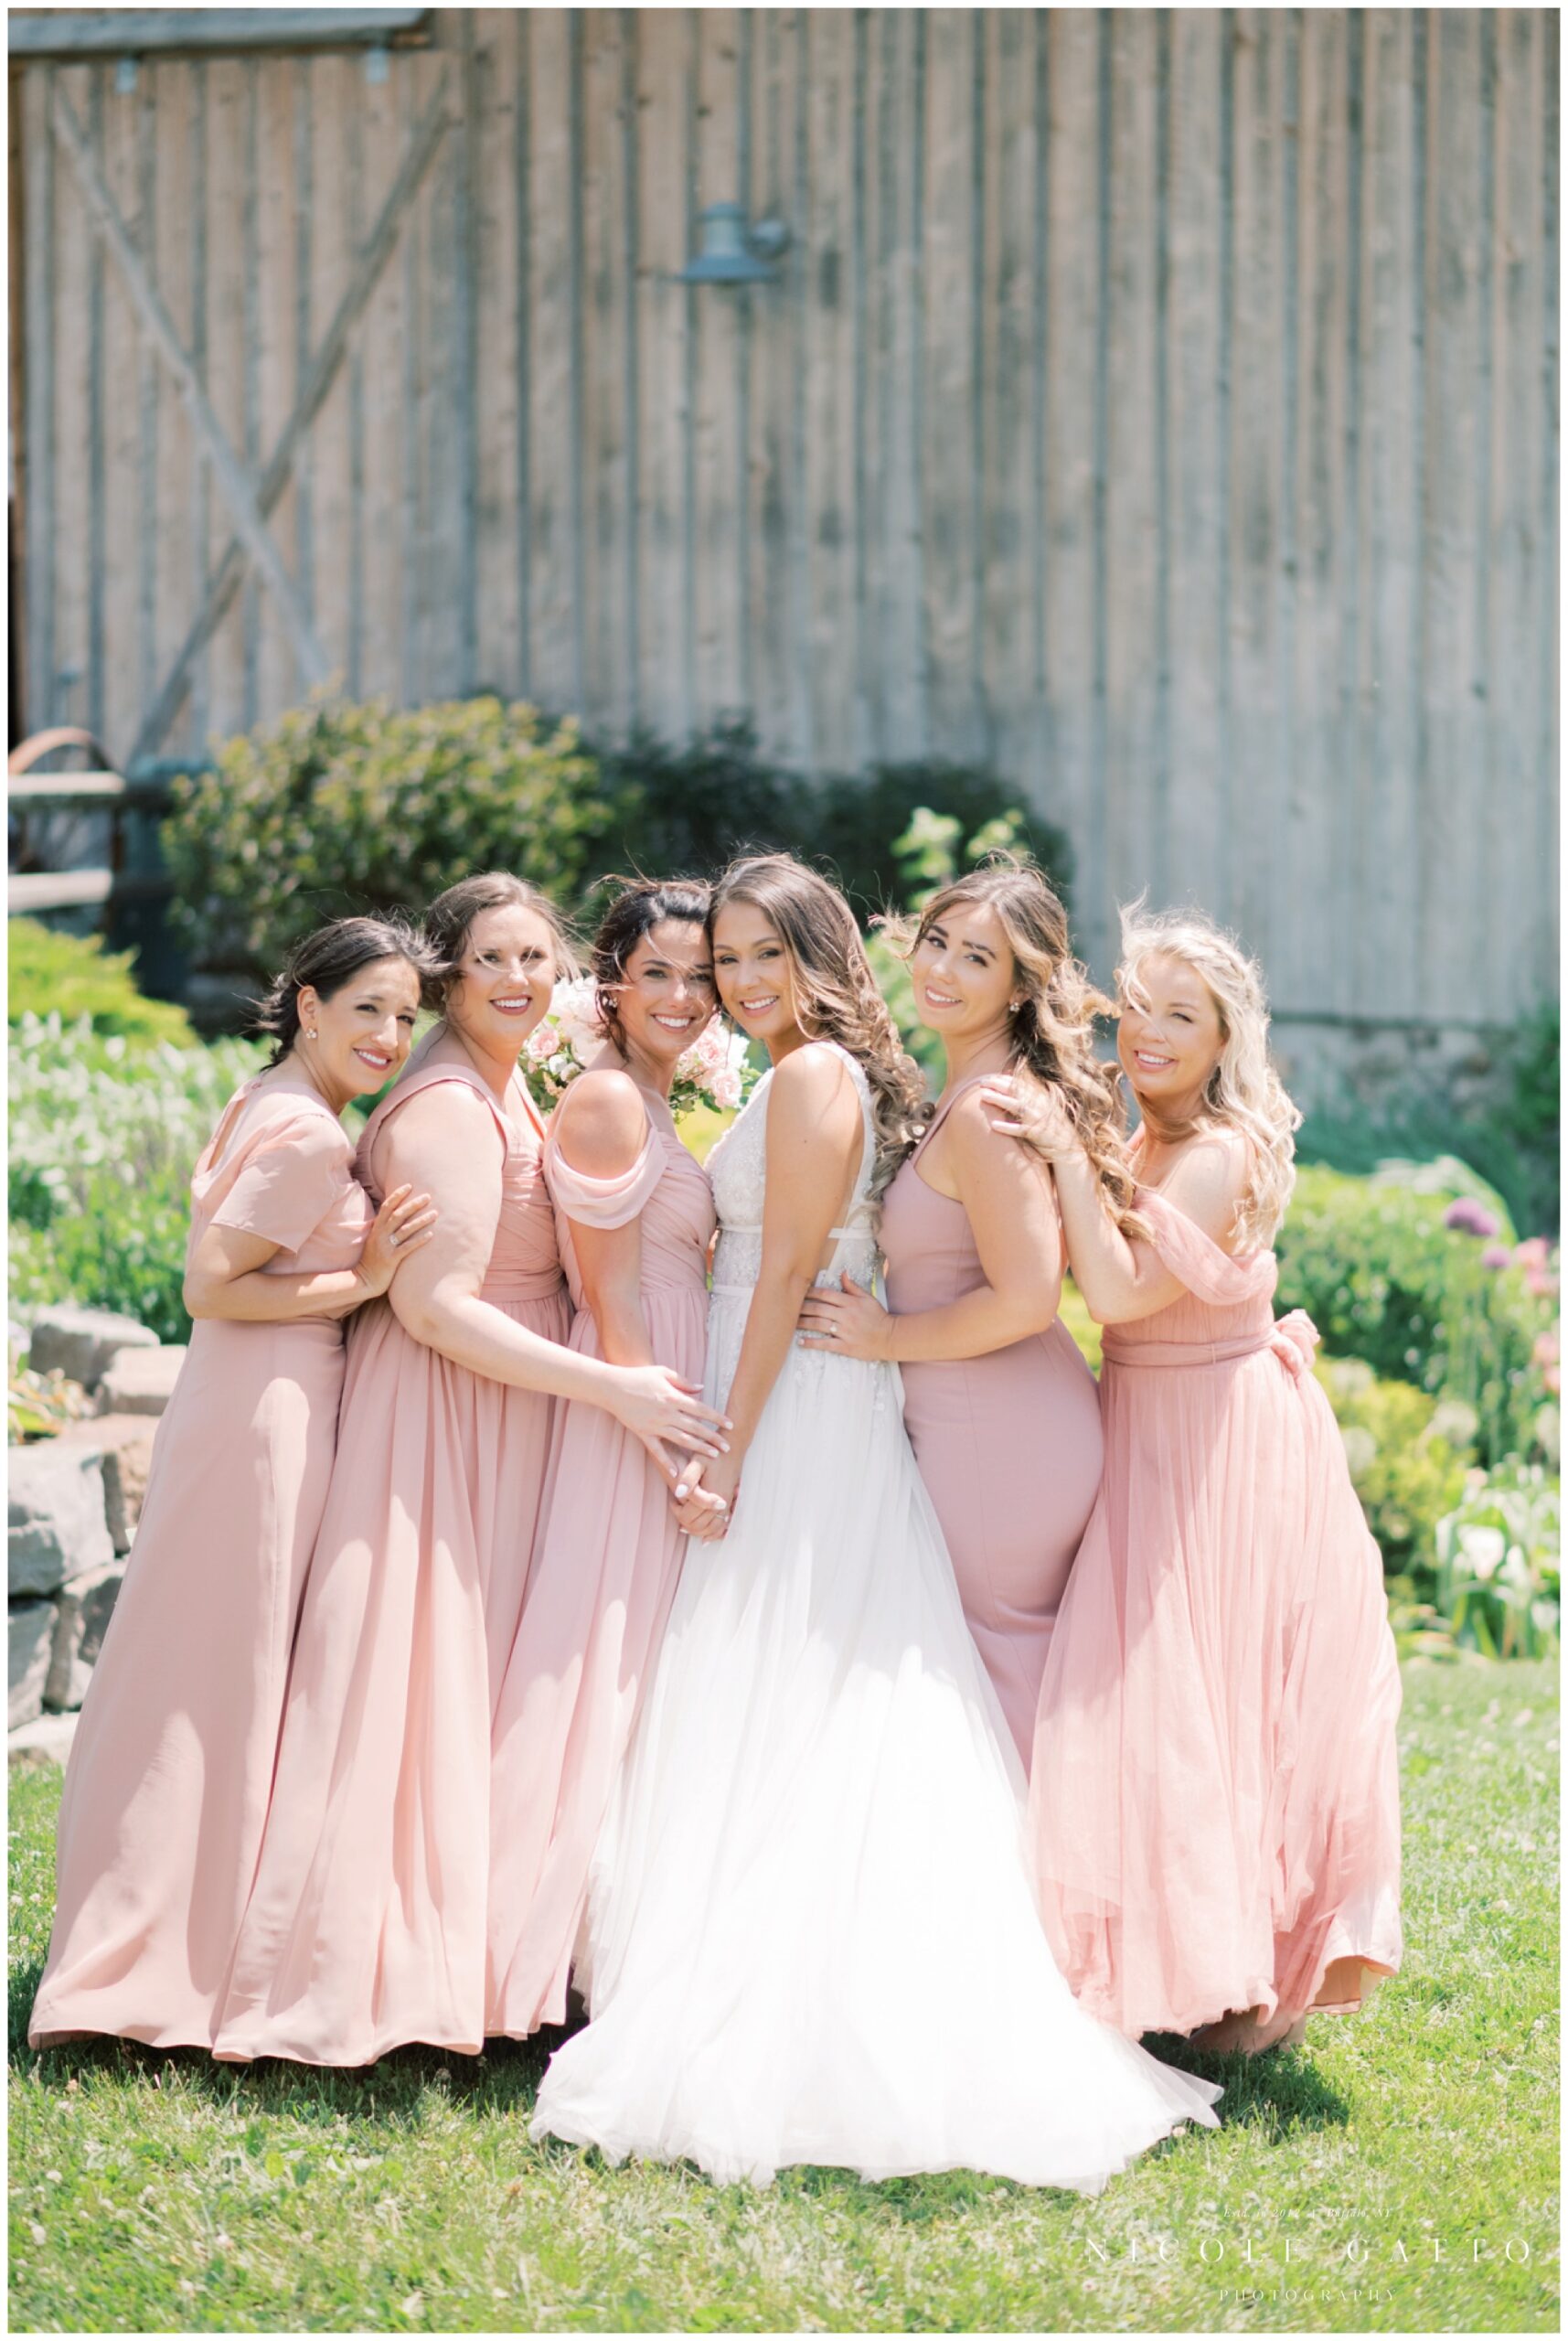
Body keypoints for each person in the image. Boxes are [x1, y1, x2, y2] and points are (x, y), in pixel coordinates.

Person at [529, 853, 1222, 2188]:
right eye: (722, 958)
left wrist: (722, 1445)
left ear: (818, 953)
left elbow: (784, 1272)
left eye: (759, 956)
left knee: (790, 1674)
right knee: (797, 1675)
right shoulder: (832, 1071)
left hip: (791, 1393)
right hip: (822, 1389)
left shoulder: (807, 1076)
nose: (735, 982)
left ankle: (810, 1978)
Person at [212, 873, 729, 2068]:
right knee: (399, 1683)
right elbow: (435, 1307)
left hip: (498, 1411)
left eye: (535, 960)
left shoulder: (495, 1088)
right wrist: (612, 1385)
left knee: (447, 1693)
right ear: (445, 968)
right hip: (440, 1413)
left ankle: (450, 1953)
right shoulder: (447, 1104)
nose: (517, 980)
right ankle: (352, 1970)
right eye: (494, 958)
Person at [984, 906, 1403, 2052]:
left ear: (1223, 1039)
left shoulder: (1214, 1153)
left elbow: (1115, 1295)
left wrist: (1066, 1154)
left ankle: (1238, 1973)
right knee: (1154, 1701)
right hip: (1147, 1426)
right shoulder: (1135, 1136)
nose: (1154, 1035)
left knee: (1202, 1694)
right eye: (1142, 1010)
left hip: (1217, 1444)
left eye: (1184, 1017)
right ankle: (1180, 1959)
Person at [29, 917, 436, 2049]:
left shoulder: (268, 1100)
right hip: (267, 1415)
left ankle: (160, 1930)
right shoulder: (306, 1134)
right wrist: (363, 1280)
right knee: (226, 1679)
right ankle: (167, 1956)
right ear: (308, 1004)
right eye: (368, 1009)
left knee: (188, 1664)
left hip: (237, 1410)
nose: (391, 1036)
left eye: (405, 1017)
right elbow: (212, 1285)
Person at [798, 861, 1113, 1763]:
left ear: (1019, 990)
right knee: (989, 1664)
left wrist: (886, 1336)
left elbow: (1026, 1294)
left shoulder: (986, 1110)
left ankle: (1044, 1892)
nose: (938, 967)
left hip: (1001, 1432)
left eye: (975, 958)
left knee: (994, 1670)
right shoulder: (967, 1095)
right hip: (987, 1417)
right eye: (936, 940)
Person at [488, 880, 720, 2036]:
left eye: (701, 976)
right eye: (659, 973)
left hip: (659, 1387)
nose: (682, 996)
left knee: (640, 1676)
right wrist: (660, 1436)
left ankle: (598, 1951)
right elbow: (612, 1289)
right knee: (596, 1667)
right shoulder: (606, 1101)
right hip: (630, 1394)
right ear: (611, 981)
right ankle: (523, 1959)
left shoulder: (657, 1098)